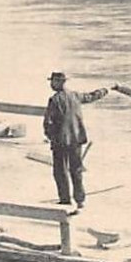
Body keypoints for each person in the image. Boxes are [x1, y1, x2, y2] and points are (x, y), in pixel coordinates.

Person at [43, 71, 109, 213]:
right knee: (76, 170)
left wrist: (49, 136)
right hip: (76, 139)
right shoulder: (75, 96)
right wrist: (106, 90)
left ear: (58, 82)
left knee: (60, 171)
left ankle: (65, 200)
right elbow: (92, 96)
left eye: (53, 81)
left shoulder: (54, 100)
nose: (51, 84)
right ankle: (80, 200)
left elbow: (48, 123)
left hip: (60, 141)